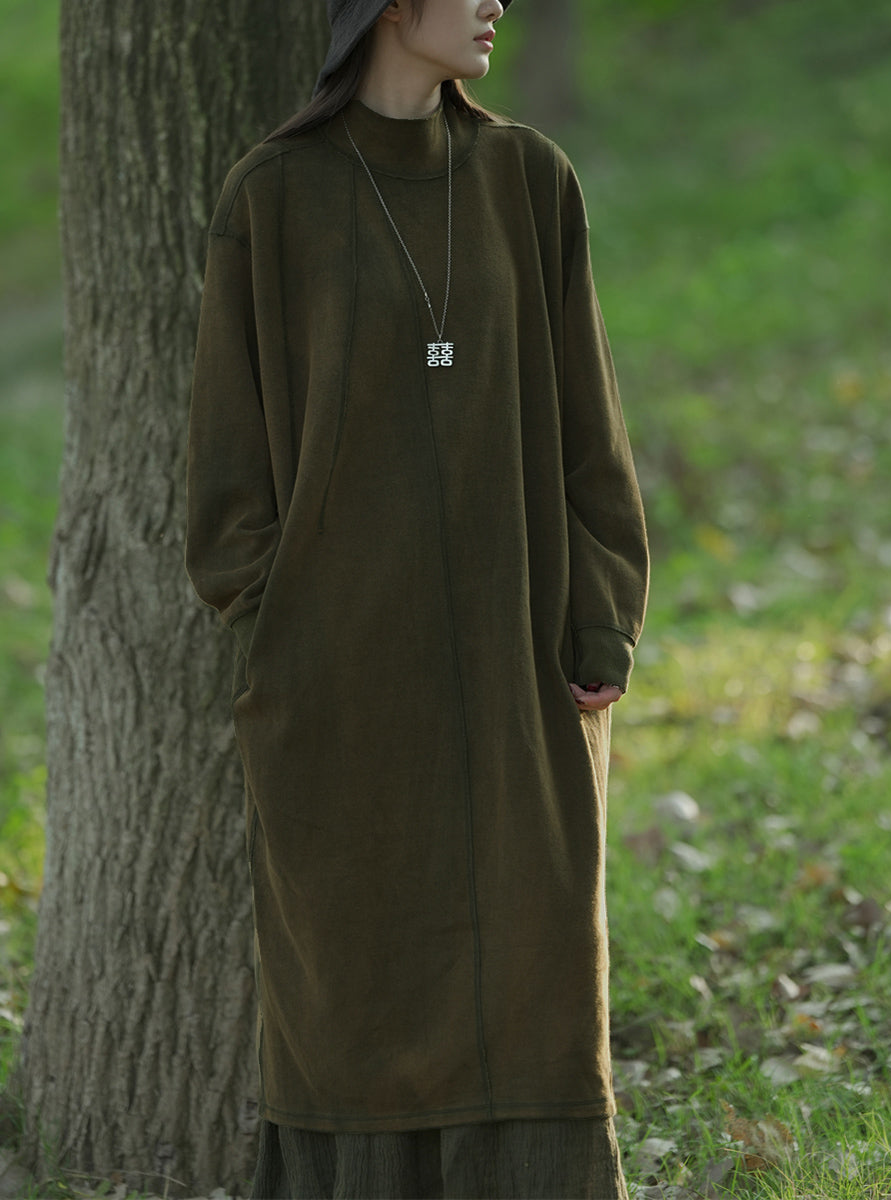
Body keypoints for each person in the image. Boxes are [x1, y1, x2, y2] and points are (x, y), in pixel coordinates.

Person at [186, 0, 649, 1195]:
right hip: (340, 696)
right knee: (357, 1001)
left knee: (537, 991)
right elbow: (227, 485)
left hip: (520, 677)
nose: (496, 1)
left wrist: (600, 618)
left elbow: (593, 440)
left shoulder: (529, 181)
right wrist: (284, 629)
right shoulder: (272, 199)